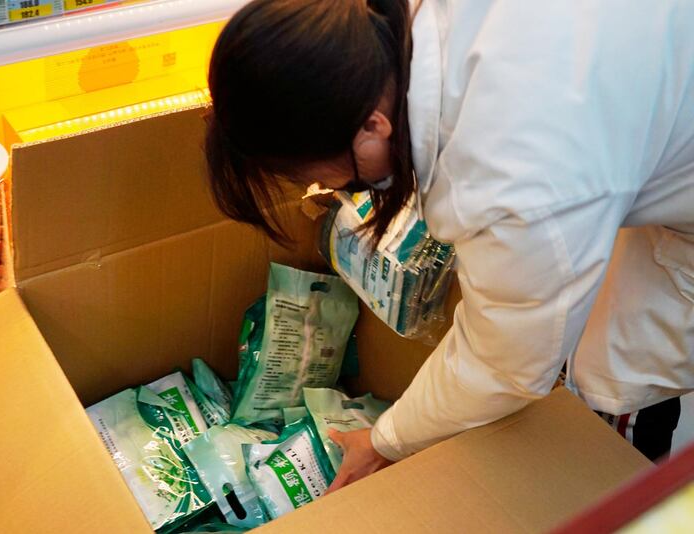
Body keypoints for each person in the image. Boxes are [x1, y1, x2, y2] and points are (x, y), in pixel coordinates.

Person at [204, 0, 694, 490]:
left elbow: (505, 363)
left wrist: (385, 440)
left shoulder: (515, 180)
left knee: (613, 384)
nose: (334, 191)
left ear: (373, 127)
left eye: (322, 175)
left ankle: (640, 493)